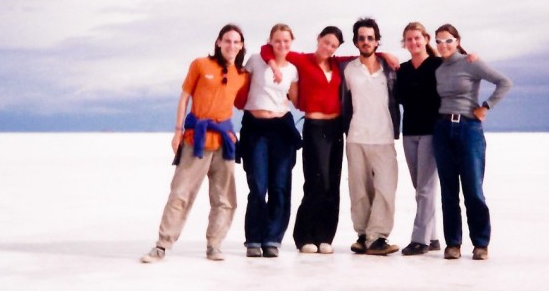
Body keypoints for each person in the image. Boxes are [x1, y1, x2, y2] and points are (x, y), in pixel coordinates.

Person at [262, 27, 399, 254]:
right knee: (316, 182)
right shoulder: (303, 60)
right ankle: (305, 235)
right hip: (315, 127)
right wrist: (274, 65)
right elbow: (268, 49)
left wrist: (385, 55)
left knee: (332, 184)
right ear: (318, 39)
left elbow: (364, 55)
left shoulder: (339, 64)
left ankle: (325, 236)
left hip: (336, 128)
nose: (328, 48)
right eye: (326, 42)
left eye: (333, 45)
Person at [141, 24, 249, 263]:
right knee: (180, 192)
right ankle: (162, 244)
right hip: (196, 139)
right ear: (219, 42)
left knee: (224, 198)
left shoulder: (242, 75)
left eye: (236, 42)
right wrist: (178, 131)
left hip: (224, 141)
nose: (231, 45)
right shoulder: (200, 64)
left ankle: (214, 244)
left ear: (241, 46)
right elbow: (184, 98)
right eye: (227, 40)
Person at [432, 23, 512, 261]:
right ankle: (453, 243)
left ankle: (480, 243)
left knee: (473, 190)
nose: (443, 45)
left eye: (447, 40)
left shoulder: (470, 62)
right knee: (448, 191)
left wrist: (486, 106)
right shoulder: (438, 68)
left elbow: (504, 82)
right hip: (443, 129)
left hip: (469, 129)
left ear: (457, 41)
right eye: (438, 41)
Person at [236, 24, 302, 258]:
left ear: (291, 43)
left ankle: (272, 238)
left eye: (286, 41)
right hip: (255, 128)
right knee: (258, 186)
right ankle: (254, 238)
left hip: (281, 128)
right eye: (278, 41)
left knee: (280, 186)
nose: (282, 45)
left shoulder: (293, 70)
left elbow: (297, 100)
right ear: (270, 42)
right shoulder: (256, 60)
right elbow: (238, 84)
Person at [342, 17, 401, 256]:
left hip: (384, 136)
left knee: (386, 188)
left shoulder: (390, 69)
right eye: (361, 38)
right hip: (356, 136)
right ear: (356, 42)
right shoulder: (347, 69)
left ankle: (379, 236)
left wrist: (387, 55)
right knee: (359, 190)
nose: (366, 42)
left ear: (377, 41)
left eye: (370, 38)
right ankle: (363, 236)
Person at [395, 22, 443, 255]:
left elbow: (459, 69)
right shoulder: (402, 69)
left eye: (417, 38)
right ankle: (433, 237)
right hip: (410, 132)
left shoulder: (438, 65)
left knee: (425, 188)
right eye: (409, 39)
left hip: (432, 132)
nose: (413, 43)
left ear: (426, 39)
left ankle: (420, 240)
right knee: (420, 188)